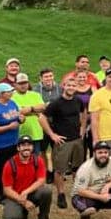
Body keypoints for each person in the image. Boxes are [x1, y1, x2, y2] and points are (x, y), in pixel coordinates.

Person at [40, 77, 85, 209]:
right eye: (68, 85)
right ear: (63, 86)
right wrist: (52, 135)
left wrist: (82, 128)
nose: (71, 87)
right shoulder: (56, 103)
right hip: (63, 141)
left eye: (73, 85)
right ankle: (61, 194)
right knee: (59, 170)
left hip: (77, 139)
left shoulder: (78, 100)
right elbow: (42, 118)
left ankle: (77, 192)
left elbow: (83, 113)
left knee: (77, 168)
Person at [1, 135, 52, 219]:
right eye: (23, 145)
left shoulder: (38, 160)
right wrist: (24, 201)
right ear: (18, 148)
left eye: (29, 145)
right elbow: (7, 190)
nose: (26, 148)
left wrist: (26, 191)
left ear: (32, 148)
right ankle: (20, 211)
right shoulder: (9, 164)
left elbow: (41, 180)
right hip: (15, 196)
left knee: (46, 191)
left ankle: (43, 218)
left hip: (32, 194)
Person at [0, 82, 25, 205]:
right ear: (1, 94)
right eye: (9, 91)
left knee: (14, 168)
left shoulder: (12, 103)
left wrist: (21, 119)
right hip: (1, 145)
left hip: (14, 142)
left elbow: (18, 116)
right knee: (3, 169)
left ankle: (12, 191)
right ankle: (1, 195)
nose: (11, 93)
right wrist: (8, 127)